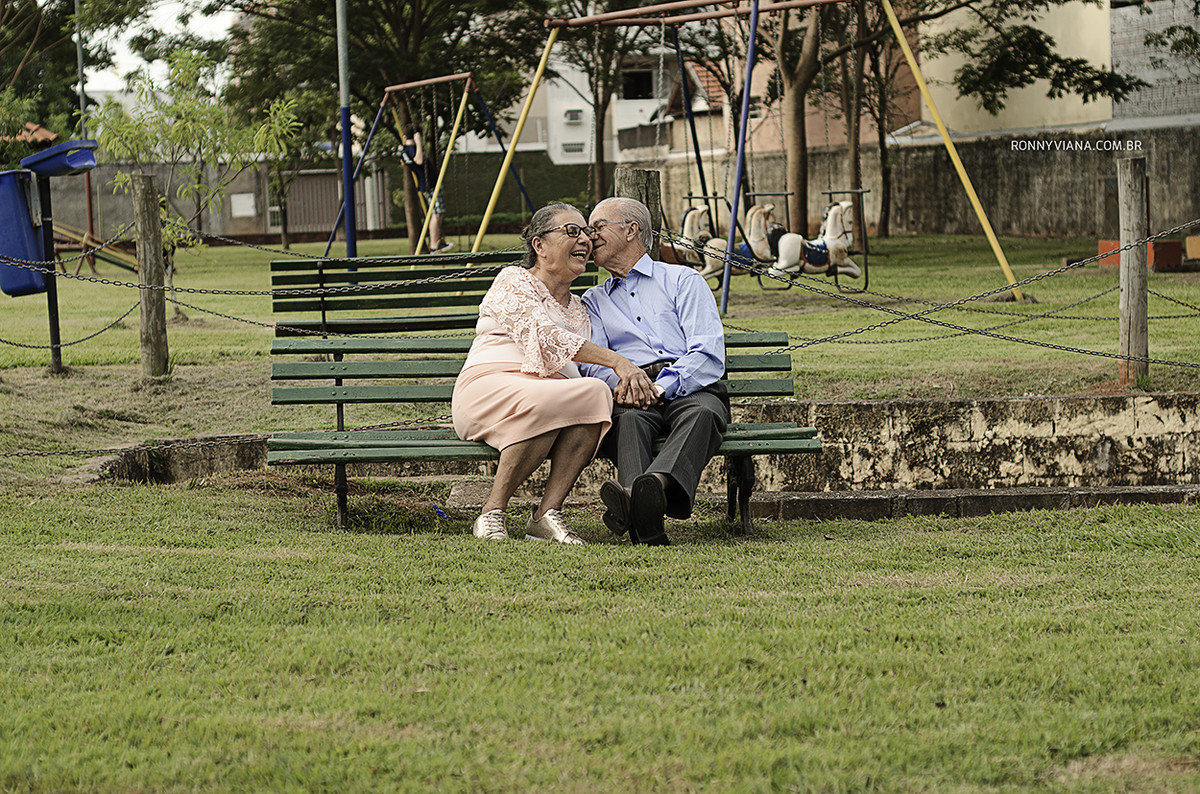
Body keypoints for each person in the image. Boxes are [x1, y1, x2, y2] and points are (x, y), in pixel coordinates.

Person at [451, 203, 656, 544]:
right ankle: (492, 511)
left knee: (594, 393)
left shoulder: (580, 308)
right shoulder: (514, 280)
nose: (585, 241)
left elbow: (584, 369)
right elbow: (545, 336)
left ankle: (546, 515)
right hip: (488, 388)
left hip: (546, 396)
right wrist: (619, 363)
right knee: (551, 399)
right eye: (571, 231)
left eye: (587, 233)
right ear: (539, 245)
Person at [580, 197, 729, 546]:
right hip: (628, 391)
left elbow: (707, 352)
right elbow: (592, 362)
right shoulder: (593, 301)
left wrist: (661, 386)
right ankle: (646, 513)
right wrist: (621, 385)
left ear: (631, 230)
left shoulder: (683, 281)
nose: (590, 235)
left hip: (690, 385)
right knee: (628, 420)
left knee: (703, 413)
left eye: (598, 225)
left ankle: (643, 491)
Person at [400, 126, 453, 253]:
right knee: (437, 213)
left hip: (427, 184)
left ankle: (437, 241)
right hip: (430, 185)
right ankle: (435, 245)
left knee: (437, 212)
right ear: (415, 135)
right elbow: (418, 160)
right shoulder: (412, 149)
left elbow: (404, 161)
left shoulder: (404, 150)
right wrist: (418, 142)